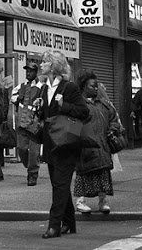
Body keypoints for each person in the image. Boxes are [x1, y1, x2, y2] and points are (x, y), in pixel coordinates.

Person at [36, 50, 88, 239]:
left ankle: (54, 226)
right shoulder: (43, 88)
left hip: (66, 142)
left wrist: (64, 105)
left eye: (44, 62)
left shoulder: (69, 87)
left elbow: (84, 112)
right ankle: (70, 222)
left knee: (60, 184)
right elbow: (45, 115)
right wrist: (39, 107)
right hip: (50, 142)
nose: (40, 65)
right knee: (59, 184)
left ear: (53, 66)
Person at [73, 71, 122, 215]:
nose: (96, 88)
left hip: (102, 146)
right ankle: (80, 201)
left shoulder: (104, 105)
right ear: (83, 86)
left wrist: (113, 130)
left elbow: (114, 119)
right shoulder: (79, 105)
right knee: (84, 175)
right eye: (92, 86)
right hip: (86, 147)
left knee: (103, 174)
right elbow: (73, 125)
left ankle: (103, 201)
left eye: (96, 86)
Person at [11, 62, 44, 186]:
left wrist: (39, 104)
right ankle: (28, 165)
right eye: (27, 71)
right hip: (22, 123)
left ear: (36, 73)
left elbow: (44, 103)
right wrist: (18, 98)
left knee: (34, 152)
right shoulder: (21, 86)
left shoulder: (42, 87)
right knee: (21, 149)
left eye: (31, 71)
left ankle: (32, 175)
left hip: (34, 125)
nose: (28, 73)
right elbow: (12, 97)